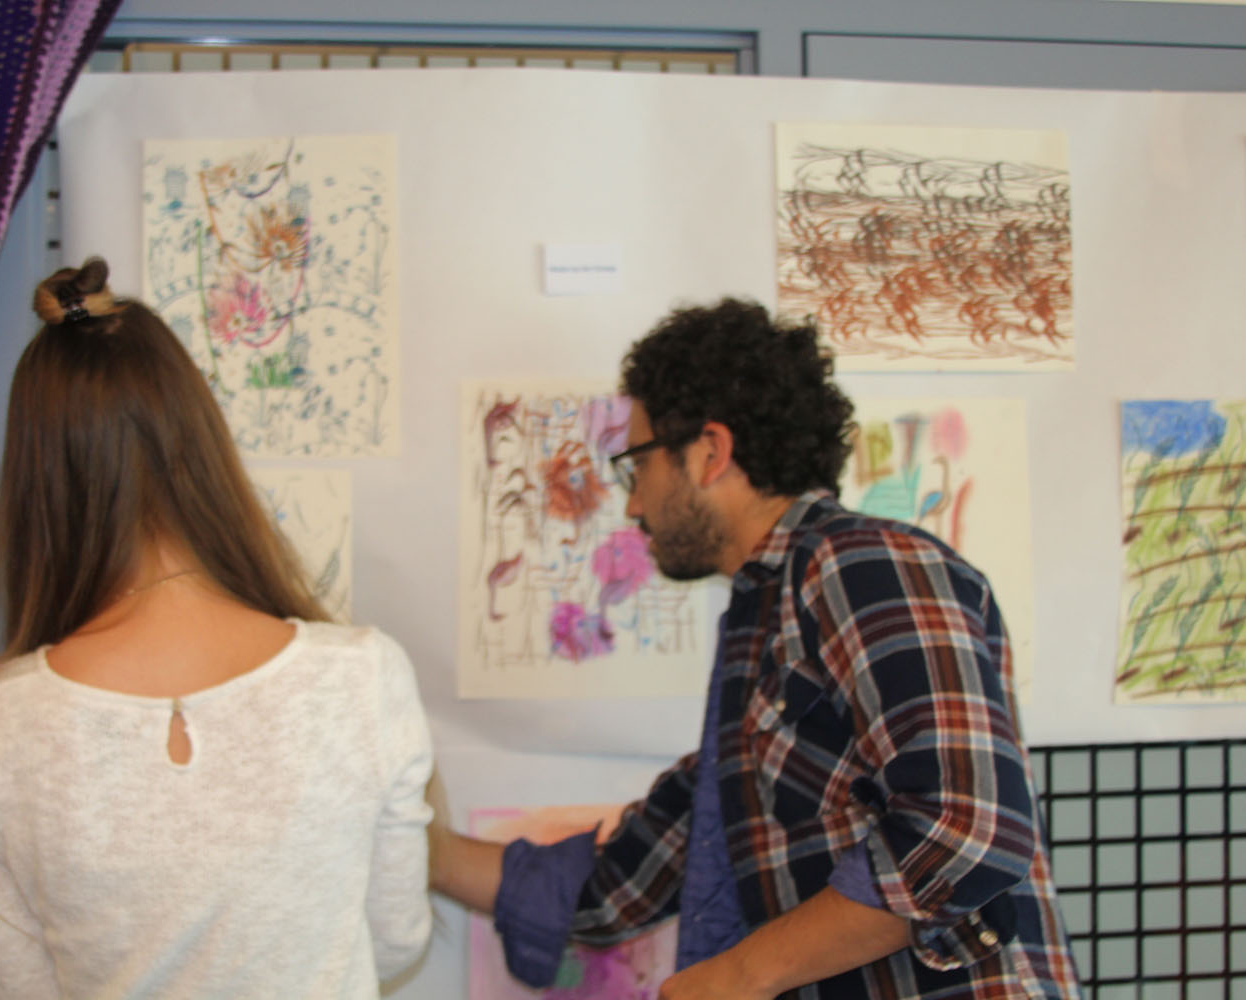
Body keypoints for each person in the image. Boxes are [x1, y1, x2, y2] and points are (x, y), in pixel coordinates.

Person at [431, 298, 1080, 1000]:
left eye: (635, 466)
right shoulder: (763, 625)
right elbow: (618, 884)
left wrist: (741, 974)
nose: (633, 505)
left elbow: (966, 828)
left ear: (710, 452)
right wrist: (420, 849)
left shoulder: (862, 564)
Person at [0, 258, 433, 999]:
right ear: (200, 442)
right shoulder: (363, 676)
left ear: (38, 479)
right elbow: (395, 940)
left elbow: (19, 988)